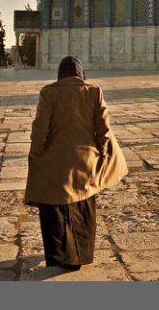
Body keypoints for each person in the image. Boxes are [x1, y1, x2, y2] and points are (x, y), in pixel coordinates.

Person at [24, 56, 128, 272]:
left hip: (55, 162)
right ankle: (81, 255)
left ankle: (62, 256)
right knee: (83, 209)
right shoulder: (93, 91)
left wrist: (35, 155)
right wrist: (102, 152)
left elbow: (40, 129)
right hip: (85, 161)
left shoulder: (49, 93)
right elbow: (104, 129)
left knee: (56, 210)